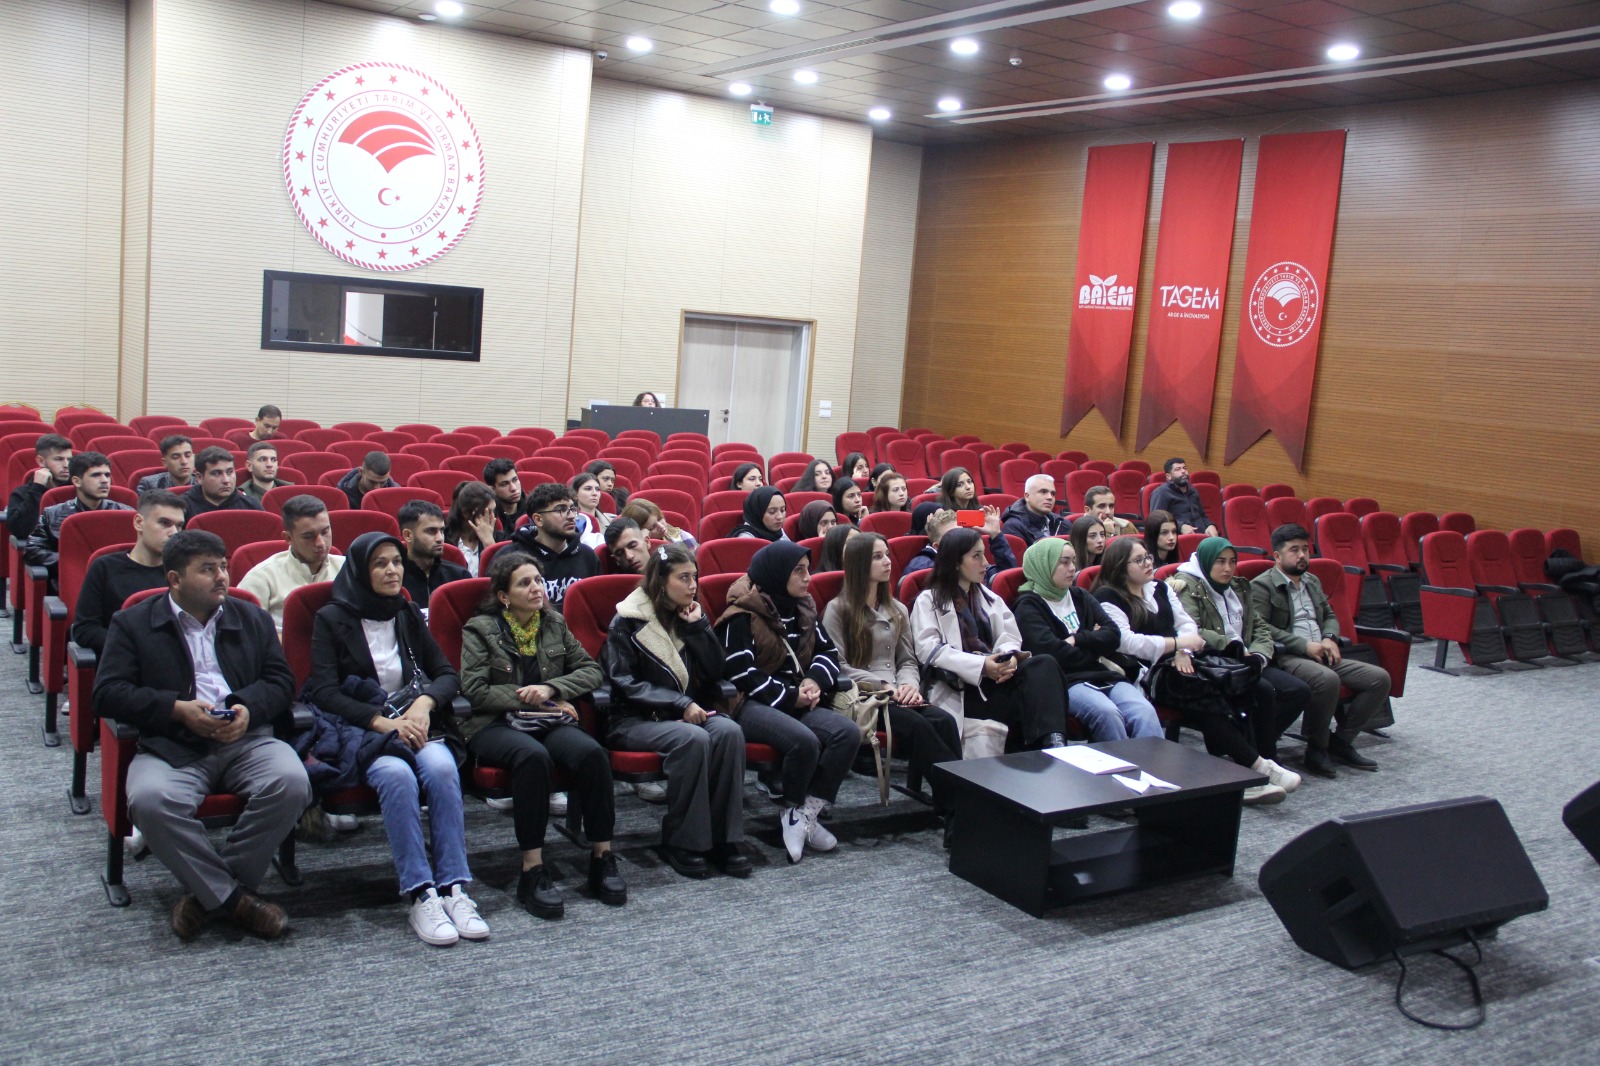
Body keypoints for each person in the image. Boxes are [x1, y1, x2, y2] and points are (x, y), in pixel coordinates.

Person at [93, 529, 311, 941]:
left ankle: (207, 895)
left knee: (292, 782)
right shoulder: (133, 623)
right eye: (208, 570)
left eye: (223, 567)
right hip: (172, 744)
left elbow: (282, 682)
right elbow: (106, 694)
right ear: (174, 579)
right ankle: (235, 901)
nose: (222, 577)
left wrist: (248, 708)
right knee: (149, 800)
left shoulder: (251, 617)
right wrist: (175, 709)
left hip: (247, 740)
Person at [306, 532, 487, 946]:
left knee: (442, 769)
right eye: (380, 563)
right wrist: (381, 723)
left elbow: (446, 674)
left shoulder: (405, 612)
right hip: (365, 730)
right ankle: (421, 893)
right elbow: (325, 692)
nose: (393, 570)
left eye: (396, 562)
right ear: (359, 571)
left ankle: (454, 887)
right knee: (397, 777)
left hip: (415, 723)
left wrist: (424, 704)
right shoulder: (332, 618)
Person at [459, 550, 625, 918]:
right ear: (504, 596)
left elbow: (591, 671)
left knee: (592, 754)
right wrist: (530, 699)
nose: (537, 588)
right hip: (493, 723)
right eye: (525, 583)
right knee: (532, 758)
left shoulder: (553, 623)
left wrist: (552, 689)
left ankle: (602, 857)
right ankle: (532, 869)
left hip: (546, 719)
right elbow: (475, 690)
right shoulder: (480, 629)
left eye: (538, 580)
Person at [1090, 537, 1297, 805]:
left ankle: (1258, 764)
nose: (1148, 563)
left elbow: (1187, 625)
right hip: (1148, 672)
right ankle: (1256, 770)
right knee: (1207, 698)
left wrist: (1183, 651)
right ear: (1120, 566)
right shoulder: (1106, 597)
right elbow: (1127, 642)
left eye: (1148, 557)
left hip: (1185, 661)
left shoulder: (1160, 587)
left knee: (1256, 687)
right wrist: (1177, 644)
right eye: (1138, 560)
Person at [602, 542, 750, 879]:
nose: (693, 585)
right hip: (633, 720)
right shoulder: (627, 620)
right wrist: (680, 703)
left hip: (683, 715)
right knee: (692, 739)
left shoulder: (689, 615)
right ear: (660, 581)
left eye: (694, 577)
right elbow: (624, 682)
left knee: (729, 731)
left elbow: (717, 671)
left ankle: (724, 839)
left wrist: (699, 629)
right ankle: (683, 841)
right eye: (683, 578)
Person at [714, 541, 856, 864]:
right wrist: (792, 697)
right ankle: (791, 806)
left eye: (808, 569)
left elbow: (828, 652)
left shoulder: (803, 608)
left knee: (847, 733)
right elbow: (740, 674)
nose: (808, 577)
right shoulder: (741, 615)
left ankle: (804, 813)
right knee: (804, 741)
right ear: (777, 574)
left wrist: (814, 681)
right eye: (799, 571)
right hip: (749, 703)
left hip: (795, 697)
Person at [822, 533, 961, 828]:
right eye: (877, 557)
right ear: (859, 564)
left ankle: (950, 804)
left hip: (898, 692)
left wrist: (909, 685)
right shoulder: (838, 609)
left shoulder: (897, 609)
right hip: (864, 695)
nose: (887, 561)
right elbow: (837, 665)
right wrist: (885, 686)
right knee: (918, 727)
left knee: (945, 721)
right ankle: (959, 809)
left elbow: (907, 660)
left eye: (886, 554)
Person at [910, 527, 1069, 757]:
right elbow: (929, 650)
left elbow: (1010, 636)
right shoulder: (929, 600)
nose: (985, 562)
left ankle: (1055, 744)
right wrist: (983, 666)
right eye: (977, 556)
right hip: (962, 688)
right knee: (1036, 697)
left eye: (984, 554)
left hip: (997, 680)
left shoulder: (988, 596)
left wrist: (1008, 659)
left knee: (1044, 664)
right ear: (955, 562)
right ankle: (1043, 751)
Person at [1252, 523, 1389, 776]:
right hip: (1288, 656)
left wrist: (1329, 638)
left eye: (1305, 549)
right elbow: (1261, 627)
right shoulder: (1262, 585)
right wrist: (1305, 645)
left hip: (1322, 652)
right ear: (1278, 556)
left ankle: (1341, 741)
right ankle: (1316, 750)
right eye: (1294, 550)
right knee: (1327, 679)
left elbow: (1330, 615)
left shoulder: (1312, 581)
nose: (1302, 555)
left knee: (1378, 678)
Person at [1172, 537, 1312, 773]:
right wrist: (1235, 649)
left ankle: (1251, 749)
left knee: (1298, 690)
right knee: (1263, 689)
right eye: (1220, 562)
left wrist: (1259, 655)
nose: (1227, 568)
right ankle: (1265, 756)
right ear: (1206, 561)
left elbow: (1259, 627)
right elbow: (1194, 630)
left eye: (1232, 562)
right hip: (1216, 662)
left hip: (1248, 660)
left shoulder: (1238, 586)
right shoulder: (1188, 586)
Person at [1011, 537, 1162, 742]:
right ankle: (1118, 763)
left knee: (1144, 711)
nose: (1072, 568)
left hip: (1102, 673)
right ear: (1044, 565)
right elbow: (1052, 653)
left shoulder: (1080, 595)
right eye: (1064, 562)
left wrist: (1076, 639)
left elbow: (1113, 635)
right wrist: (1094, 645)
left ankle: (1152, 763)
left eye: (1073, 561)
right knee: (1108, 714)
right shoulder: (1028, 606)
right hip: (1066, 682)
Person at [71, 490, 186, 655]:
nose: (174, 532)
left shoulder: (183, 572)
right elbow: (84, 629)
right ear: (139, 523)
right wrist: (133, 647)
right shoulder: (104, 567)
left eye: (179, 526)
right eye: (164, 523)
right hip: (120, 659)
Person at [238, 495, 344, 633]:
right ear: (288, 538)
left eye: (325, 532)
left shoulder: (348, 569)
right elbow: (248, 632)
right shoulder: (261, 577)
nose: (320, 543)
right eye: (308, 536)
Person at [22, 452, 132, 576]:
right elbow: (32, 551)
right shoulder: (52, 514)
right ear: (77, 481)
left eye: (107, 475)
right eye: (96, 475)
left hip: (118, 578)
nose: (104, 481)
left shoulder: (126, 514)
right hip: (73, 578)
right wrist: (73, 562)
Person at [507, 483, 599, 610]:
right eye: (561, 510)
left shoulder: (588, 556)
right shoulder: (511, 557)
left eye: (573, 509)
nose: (572, 516)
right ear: (538, 520)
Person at [903, 505, 1016, 580]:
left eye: (961, 533)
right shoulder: (922, 567)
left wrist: (996, 535)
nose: (961, 539)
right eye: (953, 535)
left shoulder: (969, 557)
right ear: (937, 546)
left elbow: (1005, 578)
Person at [399, 500, 469, 610]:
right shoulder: (394, 579)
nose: (440, 538)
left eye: (441, 531)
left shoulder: (459, 576)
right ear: (408, 535)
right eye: (431, 531)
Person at [6, 433, 73, 544]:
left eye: (69, 459)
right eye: (58, 459)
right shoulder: (22, 493)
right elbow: (20, 531)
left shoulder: (77, 490)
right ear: (41, 461)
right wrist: (37, 488)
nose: (66, 465)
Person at [183, 447, 264, 518]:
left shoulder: (251, 505)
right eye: (216, 473)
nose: (226, 480)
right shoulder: (183, 507)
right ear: (199, 478)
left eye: (230, 472)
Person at [1148, 458, 1217, 536]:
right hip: (1177, 537)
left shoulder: (1193, 491)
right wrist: (1180, 527)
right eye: (1178, 469)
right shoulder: (1161, 493)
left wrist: (1210, 525)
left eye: (1184, 468)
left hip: (1202, 535)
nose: (1183, 471)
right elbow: (1157, 521)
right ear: (1169, 476)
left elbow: (1202, 515)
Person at [445, 481, 500, 576]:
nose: (492, 517)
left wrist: (489, 544)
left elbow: (503, 575)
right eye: (485, 512)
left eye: (493, 511)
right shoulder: (444, 540)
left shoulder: (501, 539)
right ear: (465, 513)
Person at [1001, 474, 1067, 546]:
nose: (1050, 497)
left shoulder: (1061, 523)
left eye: (1053, 494)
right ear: (1027, 496)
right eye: (1043, 492)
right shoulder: (1013, 526)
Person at [619, 498, 697, 550]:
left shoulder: (683, 537)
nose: (661, 526)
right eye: (652, 527)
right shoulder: (633, 552)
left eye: (660, 519)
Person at [570, 472, 614, 551]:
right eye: (588, 489)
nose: (594, 493)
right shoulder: (568, 521)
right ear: (575, 495)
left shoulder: (612, 521)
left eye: (597, 489)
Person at [481, 458, 524, 532]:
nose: (513, 488)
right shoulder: (488, 516)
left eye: (515, 480)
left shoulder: (533, 509)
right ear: (492, 489)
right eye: (504, 484)